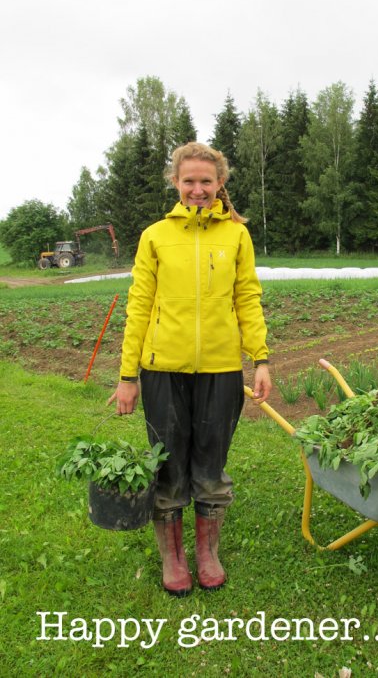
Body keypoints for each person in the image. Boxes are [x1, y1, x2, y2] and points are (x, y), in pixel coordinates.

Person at [108, 142, 271, 597]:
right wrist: (127, 377)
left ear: (220, 183)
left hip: (221, 369)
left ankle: (207, 552)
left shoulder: (236, 236)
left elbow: (247, 299)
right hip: (162, 370)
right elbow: (138, 306)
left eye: (205, 181)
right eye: (188, 181)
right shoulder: (155, 236)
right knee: (167, 463)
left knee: (211, 464)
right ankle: (173, 555)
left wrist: (260, 358)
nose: (197, 189)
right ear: (176, 184)